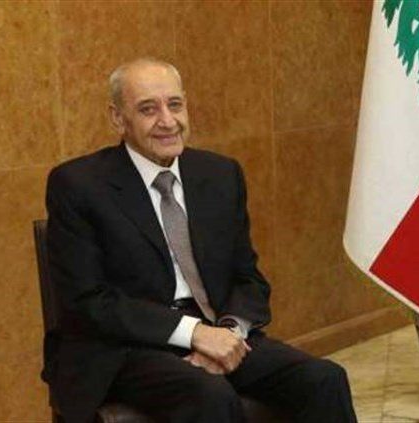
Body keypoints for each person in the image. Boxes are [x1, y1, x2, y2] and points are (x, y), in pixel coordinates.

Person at [44, 58, 357, 423]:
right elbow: (88, 302)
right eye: (148, 109)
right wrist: (193, 334)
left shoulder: (220, 174)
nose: (168, 121)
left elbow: (248, 279)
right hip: (126, 348)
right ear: (118, 118)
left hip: (216, 329)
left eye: (175, 104)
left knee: (324, 379)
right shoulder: (78, 185)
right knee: (210, 396)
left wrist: (228, 333)